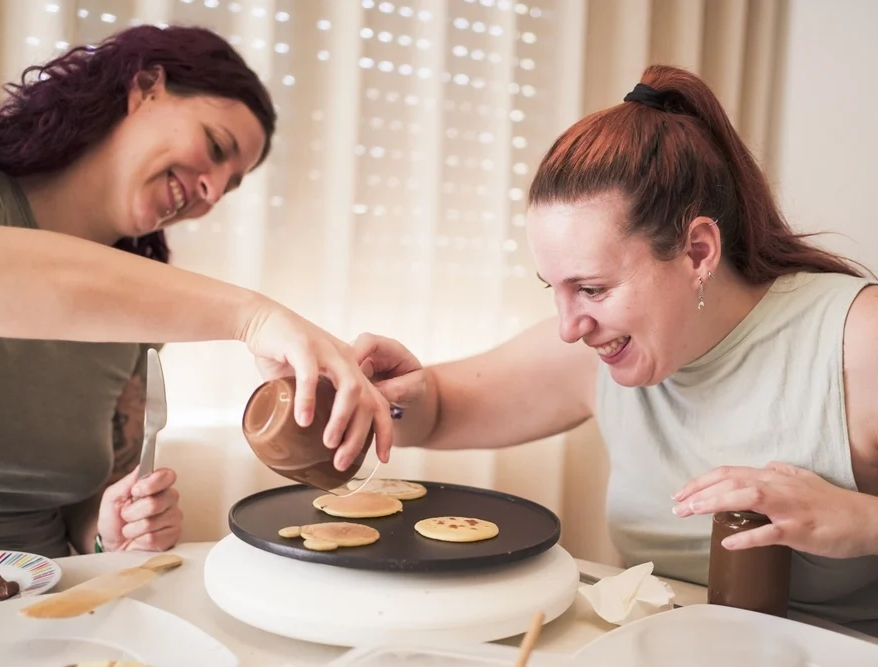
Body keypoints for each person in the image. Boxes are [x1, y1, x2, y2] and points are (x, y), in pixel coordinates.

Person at [353, 65, 878, 635]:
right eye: (551, 288)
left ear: (698, 251)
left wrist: (863, 520)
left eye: (593, 288)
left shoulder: (857, 341)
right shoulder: (600, 350)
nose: (568, 328)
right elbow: (437, 411)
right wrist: (376, 396)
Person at [0, 25, 391, 559]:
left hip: (38, 601)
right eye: (216, 147)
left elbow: (78, 517)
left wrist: (112, 530)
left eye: (231, 183)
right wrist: (253, 317)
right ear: (145, 87)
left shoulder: (138, 320)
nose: (213, 193)